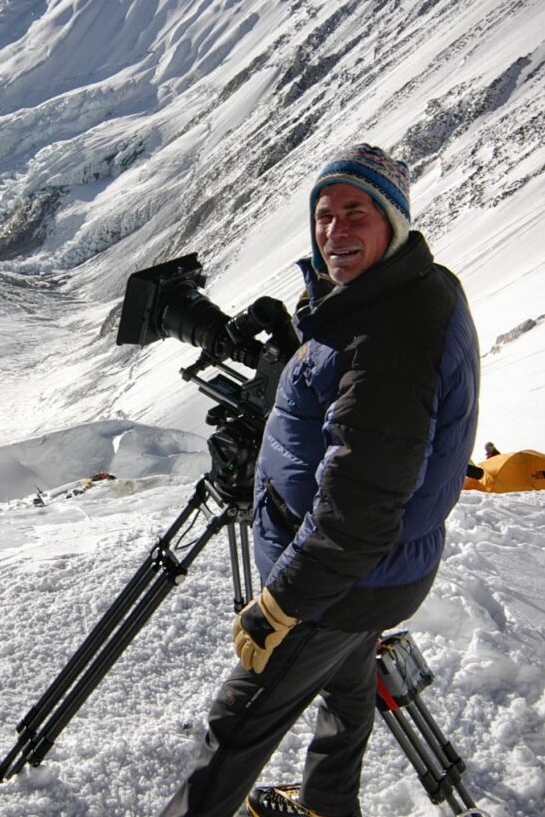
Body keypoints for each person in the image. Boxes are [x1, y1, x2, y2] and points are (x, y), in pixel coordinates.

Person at [159, 144, 480, 817]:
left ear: (393, 219)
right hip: (376, 575)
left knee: (234, 730)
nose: (335, 230)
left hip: (341, 577)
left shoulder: (389, 337)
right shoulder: (410, 289)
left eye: (355, 212)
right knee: (346, 687)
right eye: (325, 214)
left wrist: (279, 604)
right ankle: (328, 807)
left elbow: (358, 511)